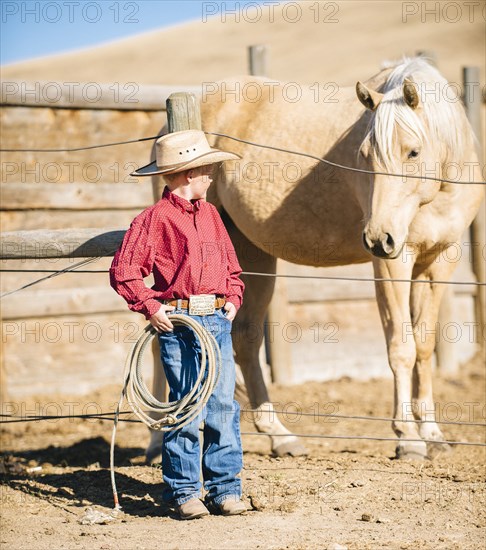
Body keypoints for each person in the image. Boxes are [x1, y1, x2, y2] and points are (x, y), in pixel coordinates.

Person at [109, 130, 246, 520]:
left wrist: (233, 300)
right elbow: (125, 271)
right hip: (180, 323)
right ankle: (185, 491)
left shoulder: (212, 214)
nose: (211, 176)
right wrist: (151, 307)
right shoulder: (154, 220)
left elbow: (232, 268)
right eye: (206, 169)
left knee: (222, 404)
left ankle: (224, 489)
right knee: (187, 405)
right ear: (188, 173)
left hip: (216, 322)